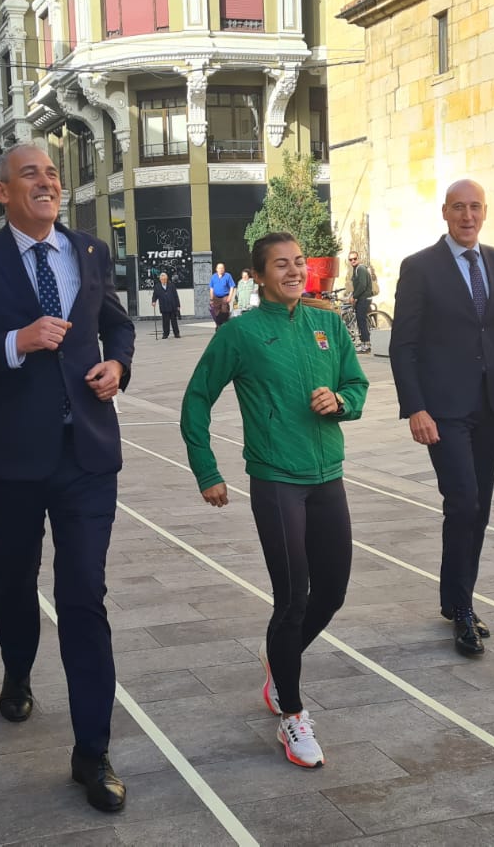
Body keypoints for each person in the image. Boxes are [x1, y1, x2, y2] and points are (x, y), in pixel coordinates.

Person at [0, 143, 135, 812]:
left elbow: (116, 325)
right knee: (15, 576)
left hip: (88, 456)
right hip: (11, 457)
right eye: (30, 175)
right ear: (2, 192)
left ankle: (92, 752)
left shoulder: (91, 251)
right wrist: (16, 341)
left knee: (83, 596)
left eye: (51, 173)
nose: (46, 182)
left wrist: (119, 367)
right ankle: (18, 670)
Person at [181, 232, 368, 769]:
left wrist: (341, 401)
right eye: (279, 265)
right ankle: (292, 714)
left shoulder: (328, 324)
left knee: (331, 593)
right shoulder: (240, 335)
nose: (292, 271)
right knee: (293, 598)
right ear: (258, 277)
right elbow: (195, 400)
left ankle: (277, 656)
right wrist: (207, 471)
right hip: (275, 480)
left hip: (327, 475)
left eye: (298, 263)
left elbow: (356, 384)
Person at [390, 179, 494, 657]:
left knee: (478, 507)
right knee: (462, 501)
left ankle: (456, 597)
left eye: (476, 208)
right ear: (445, 212)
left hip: (492, 405)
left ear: (485, 212)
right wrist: (415, 407)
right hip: (442, 410)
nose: (468, 216)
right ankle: (463, 609)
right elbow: (404, 344)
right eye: (459, 208)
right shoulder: (420, 267)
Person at [348, 251, 377, 353]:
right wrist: (352, 295)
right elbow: (356, 286)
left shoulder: (361, 269)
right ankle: (364, 343)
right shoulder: (356, 270)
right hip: (362, 297)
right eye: (350, 259)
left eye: (355, 258)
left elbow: (362, 285)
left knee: (361, 320)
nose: (353, 261)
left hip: (364, 298)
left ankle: (366, 344)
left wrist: (354, 297)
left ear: (358, 258)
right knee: (361, 320)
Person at [151, 272, 182, 339]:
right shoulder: (157, 286)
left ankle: (176, 333)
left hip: (172, 306)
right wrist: (153, 301)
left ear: (167, 279)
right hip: (164, 306)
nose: (164, 280)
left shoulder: (171, 285)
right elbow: (154, 295)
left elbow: (176, 296)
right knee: (165, 322)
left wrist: (178, 305)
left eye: (165, 279)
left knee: (174, 321)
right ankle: (165, 334)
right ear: (160, 279)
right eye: (162, 279)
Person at [209, 262, 235, 327]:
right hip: (216, 297)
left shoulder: (228, 276)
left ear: (224, 269)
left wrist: (230, 297)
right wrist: (211, 299)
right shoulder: (213, 277)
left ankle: (225, 324)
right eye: (219, 268)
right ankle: (218, 325)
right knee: (216, 313)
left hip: (225, 296)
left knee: (224, 311)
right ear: (216, 269)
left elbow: (232, 287)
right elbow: (211, 288)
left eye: (222, 268)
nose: (221, 269)